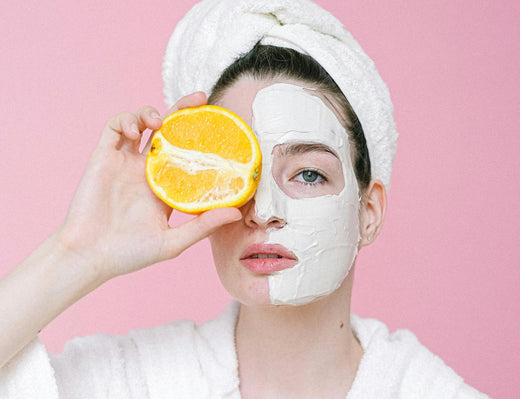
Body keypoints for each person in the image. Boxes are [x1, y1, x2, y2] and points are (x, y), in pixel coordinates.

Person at [0, 0, 490, 398]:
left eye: (309, 174)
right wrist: (79, 252)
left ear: (369, 212)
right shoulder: (129, 383)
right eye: (240, 178)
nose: (263, 210)